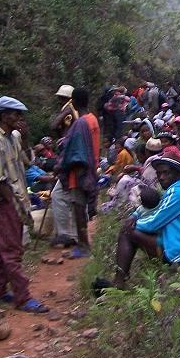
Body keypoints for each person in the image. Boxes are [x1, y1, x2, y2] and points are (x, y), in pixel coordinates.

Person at [95, 150, 180, 290]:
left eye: (166, 173)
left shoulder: (178, 193)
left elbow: (153, 223)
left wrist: (131, 225)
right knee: (134, 228)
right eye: (159, 173)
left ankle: (119, 282)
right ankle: (120, 279)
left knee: (127, 232)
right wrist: (134, 216)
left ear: (177, 174)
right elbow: (156, 209)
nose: (161, 177)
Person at [0, 96, 48, 313]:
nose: (18, 118)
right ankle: (23, 297)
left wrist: (26, 138)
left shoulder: (14, 137)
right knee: (12, 249)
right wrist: (11, 201)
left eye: (20, 114)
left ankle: (0, 291)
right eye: (14, 114)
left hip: (15, 198)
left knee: (2, 248)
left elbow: (27, 161)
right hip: (3, 200)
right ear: (3, 116)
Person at [55, 87, 100, 258]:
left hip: (79, 172)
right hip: (91, 166)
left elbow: (75, 151)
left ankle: (83, 246)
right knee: (80, 208)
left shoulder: (80, 123)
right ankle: (82, 244)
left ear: (72, 102)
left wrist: (61, 165)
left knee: (79, 209)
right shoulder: (93, 119)